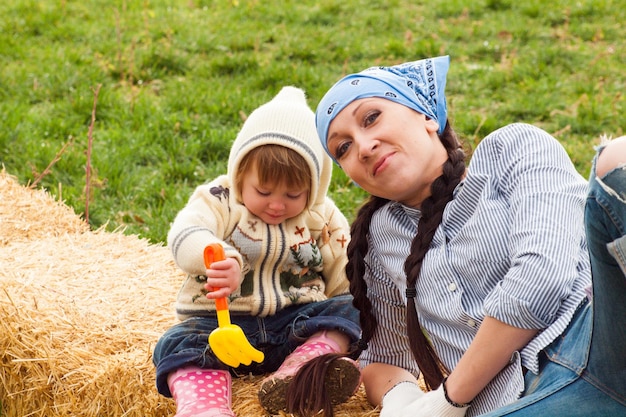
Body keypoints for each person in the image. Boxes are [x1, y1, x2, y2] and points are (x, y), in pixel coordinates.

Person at [313, 55, 626, 416]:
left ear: (426, 114)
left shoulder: (511, 149)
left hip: (599, 333)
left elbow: (543, 279)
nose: (364, 147)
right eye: (343, 148)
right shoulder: (380, 241)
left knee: (615, 160)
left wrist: (449, 397)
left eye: (372, 118)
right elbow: (385, 357)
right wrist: (404, 402)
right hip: (527, 403)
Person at [153, 86, 362, 417]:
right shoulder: (219, 200)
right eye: (263, 191)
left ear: (315, 186)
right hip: (222, 330)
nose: (277, 205)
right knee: (176, 343)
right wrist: (219, 256)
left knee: (353, 308)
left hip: (294, 327)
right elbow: (185, 233)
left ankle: (303, 369)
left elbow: (344, 270)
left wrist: (347, 316)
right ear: (240, 175)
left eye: (294, 195)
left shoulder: (322, 218)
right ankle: (204, 408)